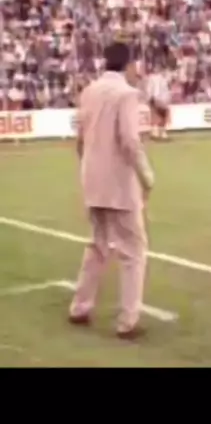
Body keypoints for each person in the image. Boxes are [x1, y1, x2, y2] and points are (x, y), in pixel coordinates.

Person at [68, 41, 155, 339]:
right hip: (118, 185)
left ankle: (80, 307)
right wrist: (147, 176)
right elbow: (130, 140)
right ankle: (128, 320)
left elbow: (80, 139)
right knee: (133, 250)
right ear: (128, 64)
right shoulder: (126, 95)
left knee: (98, 244)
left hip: (93, 180)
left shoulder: (89, 91)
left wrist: (87, 169)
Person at [147, 66, 171, 141]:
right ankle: (161, 133)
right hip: (160, 99)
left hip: (158, 98)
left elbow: (150, 89)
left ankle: (156, 133)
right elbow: (165, 89)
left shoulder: (153, 78)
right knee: (161, 116)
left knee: (157, 116)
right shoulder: (160, 78)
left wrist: (151, 97)